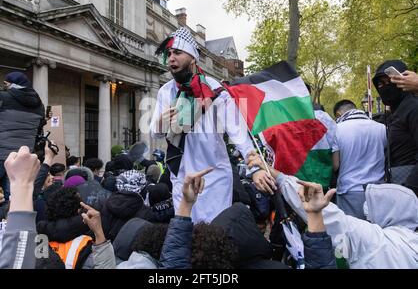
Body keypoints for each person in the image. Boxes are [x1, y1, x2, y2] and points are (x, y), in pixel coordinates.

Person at [150, 27, 275, 223]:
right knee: (185, 233)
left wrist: (255, 168)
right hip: (181, 178)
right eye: (169, 54)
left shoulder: (215, 89)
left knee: (213, 237)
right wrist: (161, 122)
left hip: (214, 178)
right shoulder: (165, 91)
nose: (171, 58)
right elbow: (155, 134)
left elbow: (239, 133)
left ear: (192, 57)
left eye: (177, 53)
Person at [248, 155, 418, 269]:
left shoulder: (377, 241)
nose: (367, 216)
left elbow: (332, 218)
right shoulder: (410, 240)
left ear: (390, 213)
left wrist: (281, 178)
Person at [332, 100, 387, 219]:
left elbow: (335, 165)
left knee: (352, 234)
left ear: (338, 114)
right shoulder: (381, 128)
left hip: (350, 190)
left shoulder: (336, 130)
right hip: (378, 190)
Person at [373, 60, 418, 190]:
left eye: (390, 81)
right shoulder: (393, 113)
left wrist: (409, 188)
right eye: (380, 84)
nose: (385, 87)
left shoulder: (413, 108)